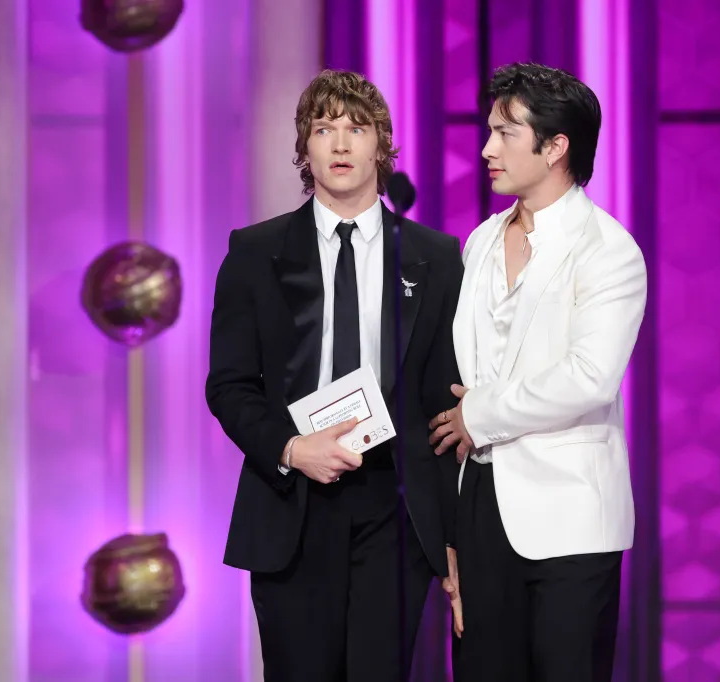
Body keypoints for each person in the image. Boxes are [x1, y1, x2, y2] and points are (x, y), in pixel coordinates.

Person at [206, 69, 463, 682]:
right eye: (324, 129)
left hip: (396, 507)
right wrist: (293, 449)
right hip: (292, 500)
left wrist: (458, 533)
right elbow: (229, 385)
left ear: (382, 144)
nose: (341, 144)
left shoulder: (436, 257)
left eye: (357, 128)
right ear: (304, 147)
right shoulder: (255, 252)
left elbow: (444, 400)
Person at [429, 62, 647, 681]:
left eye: (505, 133)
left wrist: (478, 413)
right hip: (482, 505)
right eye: (489, 131)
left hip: (570, 516)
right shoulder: (480, 240)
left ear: (555, 148)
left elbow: (589, 377)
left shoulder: (608, 250)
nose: (486, 148)